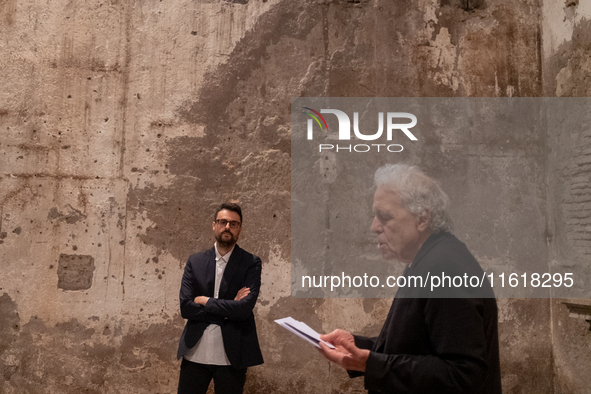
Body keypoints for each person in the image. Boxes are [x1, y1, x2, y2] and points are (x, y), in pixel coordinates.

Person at [318, 164, 502, 394]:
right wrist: (358, 346)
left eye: (384, 217)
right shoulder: (424, 260)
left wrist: (371, 363)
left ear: (422, 218)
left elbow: (462, 375)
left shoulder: (445, 269)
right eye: (375, 216)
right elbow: (414, 346)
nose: (374, 227)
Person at [177, 203, 263, 394]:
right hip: (194, 352)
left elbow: (243, 309)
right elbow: (186, 308)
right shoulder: (195, 261)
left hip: (232, 354)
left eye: (233, 224)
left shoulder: (251, 263)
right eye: (223, 222)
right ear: (214, 225)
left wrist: (206, 301)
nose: (227, 227)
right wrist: (228, 308)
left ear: (240, 228)